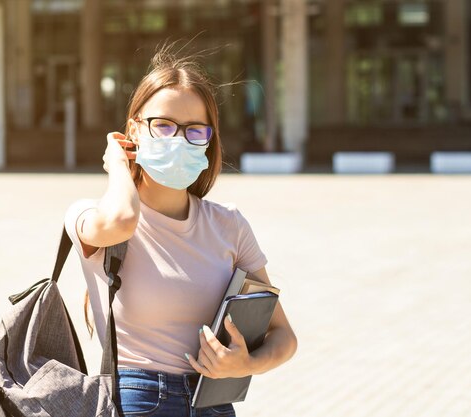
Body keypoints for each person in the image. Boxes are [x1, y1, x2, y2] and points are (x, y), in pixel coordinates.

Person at [64, 46, 297, 417]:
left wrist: (244, 365)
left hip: (214, 403)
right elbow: (123, 219)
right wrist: (118, 167)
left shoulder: (228, 224)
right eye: (164, 125)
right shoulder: (90, 217)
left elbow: (284, 337)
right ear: (134, 129)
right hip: (138, 400)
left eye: (195, 130)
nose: (178, 139)